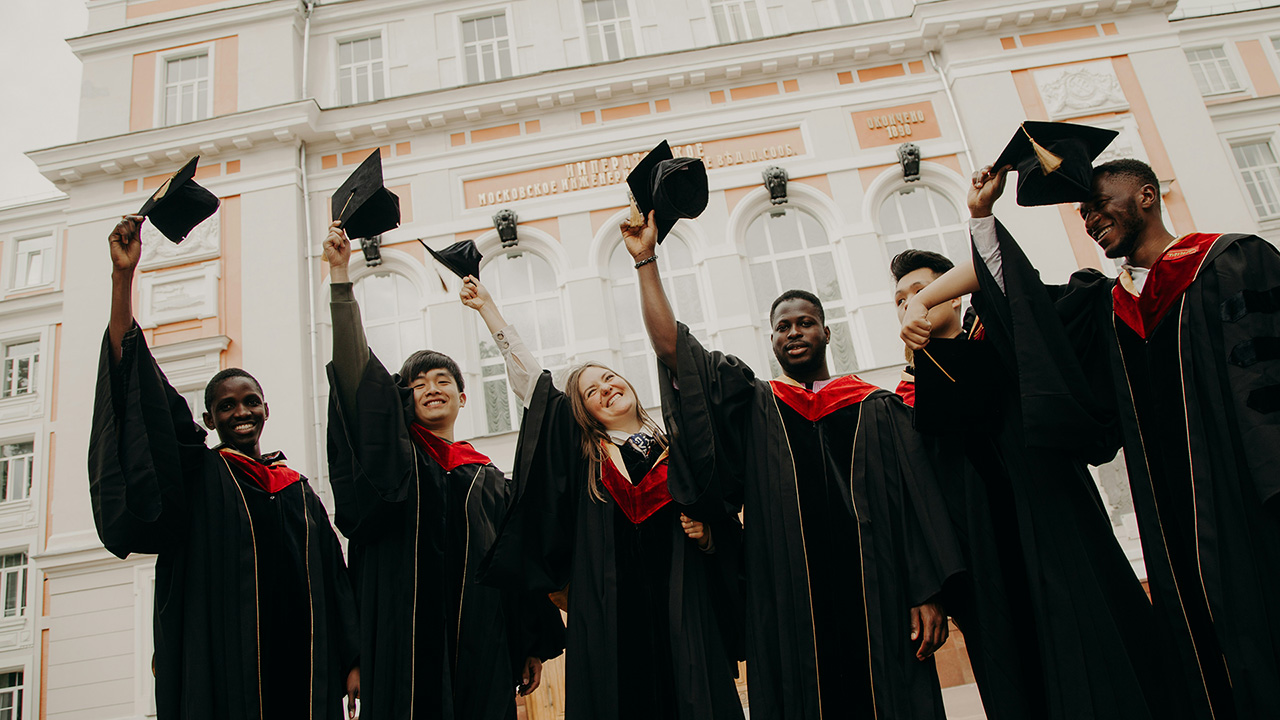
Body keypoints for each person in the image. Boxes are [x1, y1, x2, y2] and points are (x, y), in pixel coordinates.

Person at [902, 157, 1280, 718]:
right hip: (1169, 512)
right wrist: (979, 220)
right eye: (1082, 214)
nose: (1089, 219)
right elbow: (1025, 308)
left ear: (1147, 195)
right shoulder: (1108, 306)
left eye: (1099, 205)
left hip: (1245, 490)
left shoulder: (1232, 260)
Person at [622, 209, 962, 720]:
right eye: (783, 327)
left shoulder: (877, 407)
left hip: (882, 597)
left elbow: (915, 509)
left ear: (827, 333)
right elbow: (676, 353)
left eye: (806, 323)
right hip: (786, 603)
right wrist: (646, 259)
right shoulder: (755, 405)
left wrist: (927, 592)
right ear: (773, 340)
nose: (794, 332)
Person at [892, 248, 1191, 720]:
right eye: (901, 300)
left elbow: (997, 262)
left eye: (923, 291)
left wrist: (918, 301)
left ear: (952, 296)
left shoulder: (1005, 333)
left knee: (1096, 649)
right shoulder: (907, 398)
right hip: (988, 563)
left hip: (1055, 522)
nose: (913, 305)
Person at [89, 215, 360, 720]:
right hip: (219, 670)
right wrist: (122, 279)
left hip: (303, 671)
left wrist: (352, 658)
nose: (241, 412)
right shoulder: (196, 476)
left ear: (266, 410)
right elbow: (137, 383)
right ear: (208, 418)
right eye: (228, 406)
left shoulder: (299, 492)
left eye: (250, 401)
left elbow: (335, 580)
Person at [469, 270, 745, 720]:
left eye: (610, 378)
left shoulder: (679, 451)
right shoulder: (588, 461)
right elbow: (534, 388)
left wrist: (708, 535)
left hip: (684, 608)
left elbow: (724, 524)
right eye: (591, 391)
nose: (606, 388)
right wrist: (488, 310)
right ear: (586, 412)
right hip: (608, 614)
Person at [322, 222, 564, 720]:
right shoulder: (393, 462)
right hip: (399, 649)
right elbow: (353, 381)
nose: (431, 387)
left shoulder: (488, 481)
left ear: (463, 395)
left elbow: (515, 566)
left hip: (483, 649)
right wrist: (340, 278)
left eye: (442, 380)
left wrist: (530, 644)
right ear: (401, 399)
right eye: (416, 383)